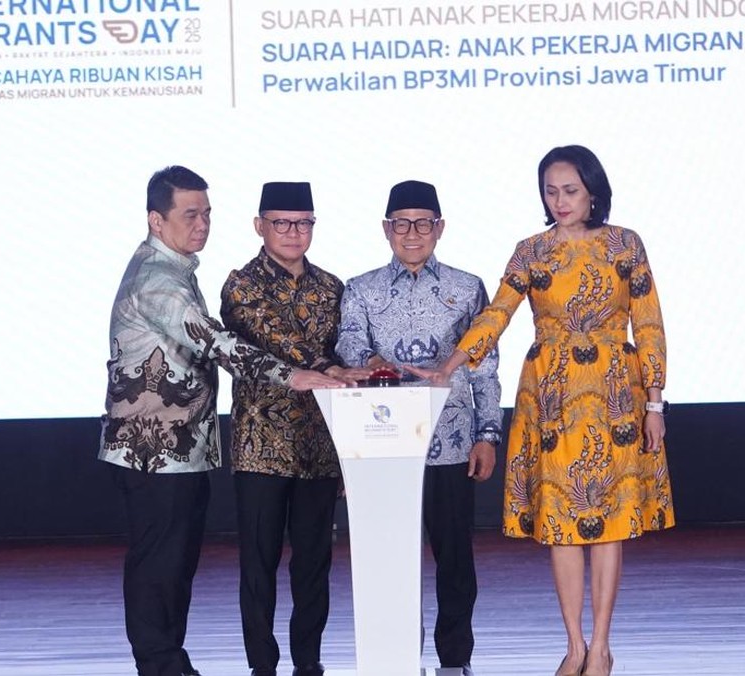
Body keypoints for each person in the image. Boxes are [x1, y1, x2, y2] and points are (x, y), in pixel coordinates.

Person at [409, 147, 674, 676]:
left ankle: (601, 647)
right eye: (551, 192)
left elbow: (648, 324)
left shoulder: (625, 244)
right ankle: (574, 646)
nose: (560, 201)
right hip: (551, 397)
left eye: (570, 190)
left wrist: (654, 402)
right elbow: (497, 313)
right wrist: (449, 366)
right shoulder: (531, 251)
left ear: (593, 190)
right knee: (560, 522)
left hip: (615, 394)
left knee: (609, 523)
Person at [97, 166, 344, 676]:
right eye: (190, 214)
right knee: (159, 565)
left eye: (207, 213)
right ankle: (162, 665)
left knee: (173, 564)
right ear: (157, 220)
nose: (202, 224)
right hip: (153, 449)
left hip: (178, 448)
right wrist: (295, 376)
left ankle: (170, 663)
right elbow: (215, 342)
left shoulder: (175, 270)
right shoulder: (158, 280)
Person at [335, 180, 502, 674]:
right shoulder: (360, 289)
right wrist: (373, 362)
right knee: (391, 559)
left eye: (423, 223)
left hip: (451, 440)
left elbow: (485, 365)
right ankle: (398, 655)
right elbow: (348, 347)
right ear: (386, 229)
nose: (412, 233)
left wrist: (487, 435)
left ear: (440, 228)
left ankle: (455, 659)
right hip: (384, 444)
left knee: (455, 556)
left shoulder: (466, 288)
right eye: (402, 224)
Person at [219, 182, 371, 676]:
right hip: (260, 445)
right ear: (259, 226)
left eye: (303, 223)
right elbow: (274, 338)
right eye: (281, 223)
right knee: (258, 562)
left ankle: (309, 661)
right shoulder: (241, 286)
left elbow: (350, 353)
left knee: (314, 564)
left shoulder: (332, 287)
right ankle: (262, 665)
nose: (293, 232)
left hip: (320, 445)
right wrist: (329, 368)